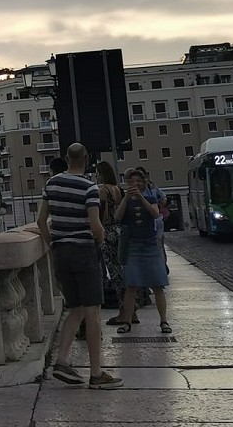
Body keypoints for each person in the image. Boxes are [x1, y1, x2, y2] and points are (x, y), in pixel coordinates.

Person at [37, 143, 124, 389]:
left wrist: (52, 244)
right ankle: (96, 374)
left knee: (74, 309)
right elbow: (96, 225)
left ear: (66, 158)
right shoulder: (89, 187)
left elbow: (41, 220)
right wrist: (101, 239)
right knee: (93, 312)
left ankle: (62, 361)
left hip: (61, 253)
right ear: (86, 159)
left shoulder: (51, 184)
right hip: (84, 252)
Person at [113, 169, 171, 335]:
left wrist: (141, 197)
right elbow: (117, 217)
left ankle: (164, 321)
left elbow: (154, 213)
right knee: (131, 285)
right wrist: (126, 198)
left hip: (150, 244)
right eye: (131, 182)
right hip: (133, 245)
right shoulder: (125, 200)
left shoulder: (150, 197)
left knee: (158, 285)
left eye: (138, 181)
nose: (134, 184)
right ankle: (127, 321)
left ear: (143, 182)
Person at [94, 161, 123, 309]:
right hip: (118, 230)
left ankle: (123, 307)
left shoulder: (103, 191)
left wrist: (99, 229)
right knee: (120, 269)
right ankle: (130, 307)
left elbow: (103, 215)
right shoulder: (117, 189)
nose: (96, 176)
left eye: (98, 173)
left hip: (108, 232)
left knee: (112, 269)